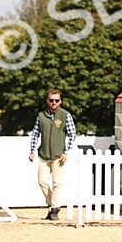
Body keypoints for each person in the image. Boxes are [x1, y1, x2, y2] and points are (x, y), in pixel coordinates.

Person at [28, 89, 77, 220]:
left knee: (57, 183)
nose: (54, 102)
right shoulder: (41, 116)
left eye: (56, 100)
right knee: (42, 181)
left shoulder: (65, 115)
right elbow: (35, 134)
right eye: (51, 100)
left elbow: (72, 134)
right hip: (43, 154)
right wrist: (32, 150)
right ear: (47, 101)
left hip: (58, 155)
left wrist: (66, 151)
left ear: (60, 101)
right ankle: (52, 204)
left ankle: (54, 209)